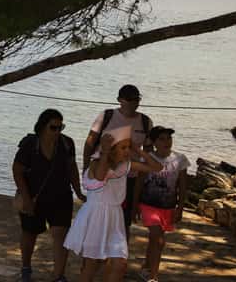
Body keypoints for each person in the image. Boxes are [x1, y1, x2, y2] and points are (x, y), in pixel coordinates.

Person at [64, 127, 163, 282]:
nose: (127, 151)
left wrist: (138, 149)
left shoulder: (125, 165)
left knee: (120, 264)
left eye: (128, 147)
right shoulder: (96, 163)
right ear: (111, 149)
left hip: (115, 217)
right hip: (96, 216)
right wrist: (104, 152)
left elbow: (157, 168)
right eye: (123, 147)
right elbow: (100, 176)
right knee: (91, 265)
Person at [13, 109, 85, 282]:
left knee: (61, 235)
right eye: (53, 127)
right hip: (34, 197)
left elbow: (72, 167)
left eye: (61, 127)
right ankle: (26, 268)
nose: (57, 131)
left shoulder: (67, 143)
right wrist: (27, 199)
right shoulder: (31, 144)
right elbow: (17, 170)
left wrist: (78, 191)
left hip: (61, 196)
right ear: (42, 127)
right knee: (30, 233)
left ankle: (58, 276)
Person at [83, 84, 153, 237]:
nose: (134, 103)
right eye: (129, 99)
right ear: (119, 100)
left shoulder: (145, 122)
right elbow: (89, 143)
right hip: (103, 175)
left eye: (137, 99)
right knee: (98, 218)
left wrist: (141, 185)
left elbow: (148, 155)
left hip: (129, 177)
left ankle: (119, 250)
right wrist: (86, 170)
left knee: (123, 222)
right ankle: (94, 248)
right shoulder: (106, 116)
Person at [136, 126, 189, 282]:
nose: (167, 142)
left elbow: (183, 186)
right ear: (153, 142)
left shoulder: (180, 159)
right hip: (148, 205)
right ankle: (153, 276)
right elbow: (139, 183)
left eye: (169, 138)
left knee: (155, 239)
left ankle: (146, 267)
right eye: (162, 139)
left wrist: (180, 208)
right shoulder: (147, 158)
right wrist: (134, 206)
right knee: (158, 240)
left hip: (168, 207)